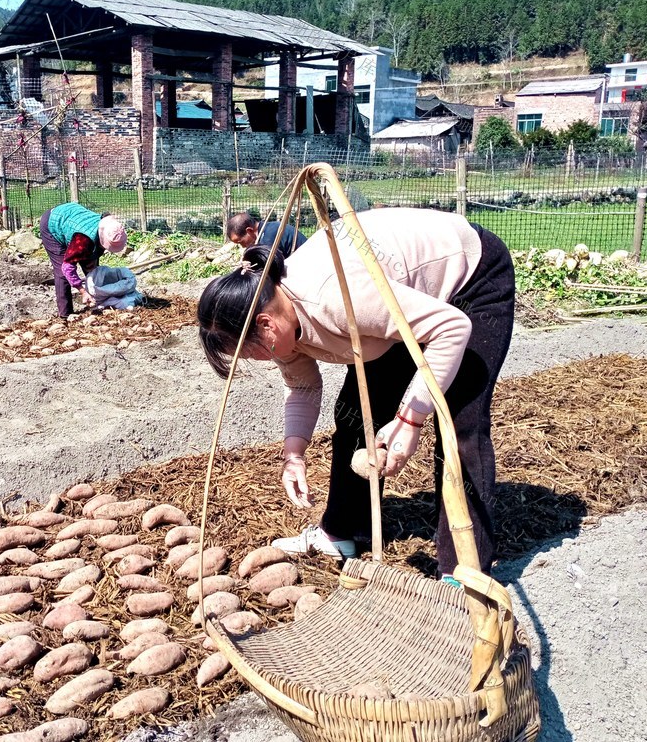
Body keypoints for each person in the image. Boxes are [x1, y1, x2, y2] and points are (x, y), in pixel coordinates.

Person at [196, 208, 515, 579]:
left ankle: (465, 569)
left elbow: (451, 327)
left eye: (246, 351)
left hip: (468, 279)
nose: (255, 359)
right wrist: (293, 455)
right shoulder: (276, 322)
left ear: (265, 327)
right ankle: (342, 531)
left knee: (459, 422)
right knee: (355, 411)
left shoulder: (334, 299)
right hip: (395, 296)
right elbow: (302, 385)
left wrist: (411, 417)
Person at [40, 202, 128, 317]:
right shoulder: (83, 240)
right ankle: (65, 315)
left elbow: (92, 259)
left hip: (73, 217)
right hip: (53, 223)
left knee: (92, 268)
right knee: (62, 273)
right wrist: (82, 291)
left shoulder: (108, 227)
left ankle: (98, 299)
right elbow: (67, 267)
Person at [227, 211, 307, 257]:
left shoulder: (268, 237)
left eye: (241, 241)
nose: (243, 246)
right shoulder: (267, 229)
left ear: (249, 231)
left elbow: (270, 267)